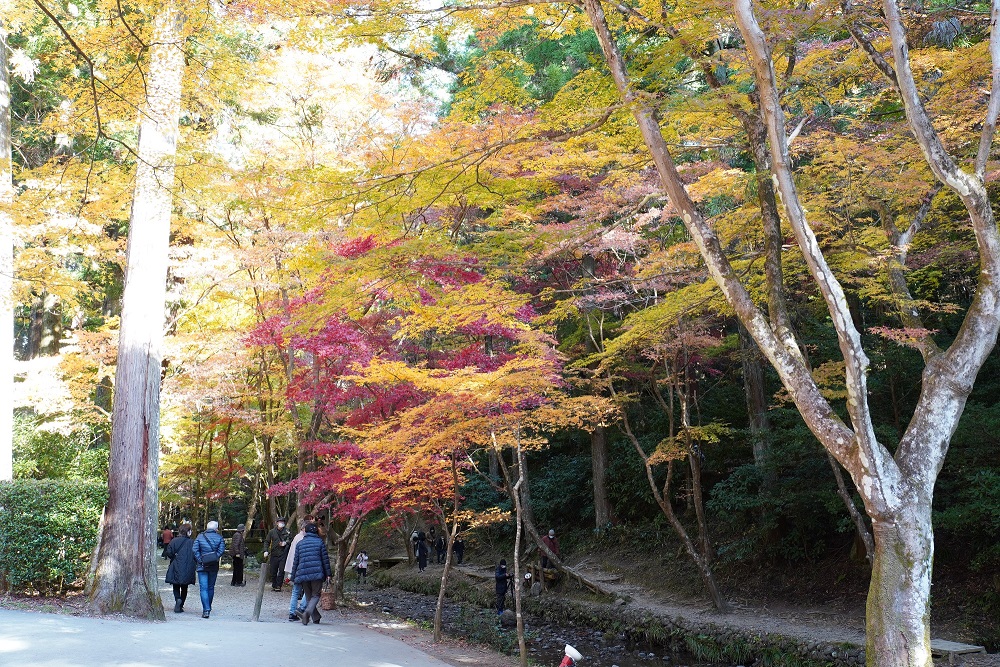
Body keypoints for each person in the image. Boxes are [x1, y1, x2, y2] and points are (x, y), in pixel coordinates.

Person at [290, 523, 331, 626]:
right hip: (317, 573)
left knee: (309, 597)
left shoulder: (300, 543)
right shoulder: (320, 542)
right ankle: (307, 613)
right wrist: (328, 574)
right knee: (316, 595)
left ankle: (316, 618)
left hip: (303, 573)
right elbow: (325, 560)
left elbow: (296, 561)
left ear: (306, 531)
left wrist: (293, 576)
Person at [192, 520, 226, 618]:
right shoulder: (219, 538)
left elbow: (195, 550)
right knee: (211, 587)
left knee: (203, 588)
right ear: (216, 528)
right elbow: (221, 550)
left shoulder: (200, 537)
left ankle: (206, 609)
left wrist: (201, 560)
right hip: (213, 566)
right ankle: (208, 607)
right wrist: (214, 557)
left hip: (202, 565)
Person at [284, 514, 315, 621]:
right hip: (304, 568)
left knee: (296, 591)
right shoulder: (303, 538)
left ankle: (292, 613)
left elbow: (292, 555)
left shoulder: (297, 537)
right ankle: (301, 609)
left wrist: (291, 570)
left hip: (296, 568)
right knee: (308, 591)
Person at [164, 523, 195, 613]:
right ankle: (181, 605)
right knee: (184, 587)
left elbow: (169, 552)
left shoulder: (174, 541)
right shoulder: (192, 542)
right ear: (188, 531)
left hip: (176, 565)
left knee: (176, 585)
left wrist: (174, 557)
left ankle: (178, 599)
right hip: (188, 566)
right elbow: (195, 554)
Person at [264, 517, 291, 592]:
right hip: (274, 553)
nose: (281, 523)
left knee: (281, 571)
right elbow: (267, 541)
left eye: (282, 522)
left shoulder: (287, 531)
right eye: (279, 522)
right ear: (277, 523)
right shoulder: (272, 532)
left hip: (283, 554)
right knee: (273, 571)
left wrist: (285, 543)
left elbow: (290, 540)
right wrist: (266, 550)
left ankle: (279, 586)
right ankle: (274, 585)